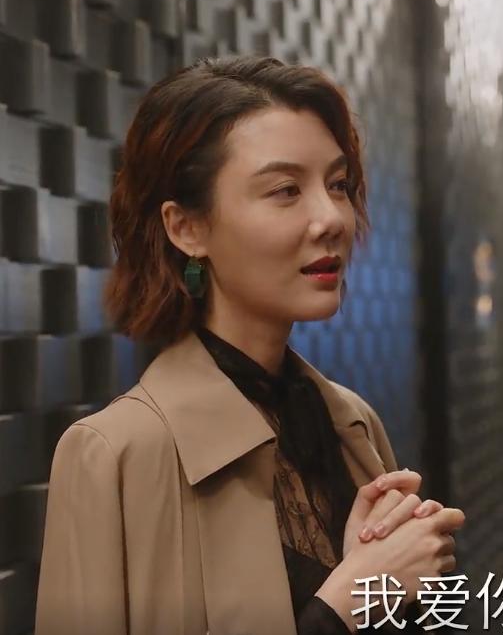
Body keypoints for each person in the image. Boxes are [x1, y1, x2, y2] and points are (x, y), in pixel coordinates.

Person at [35, 56, 463, 635]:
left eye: (338, 185)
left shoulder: (350, 423)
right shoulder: (114, 455)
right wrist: (351, 601)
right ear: (187, 228)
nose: (331, 218)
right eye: (286, 190)